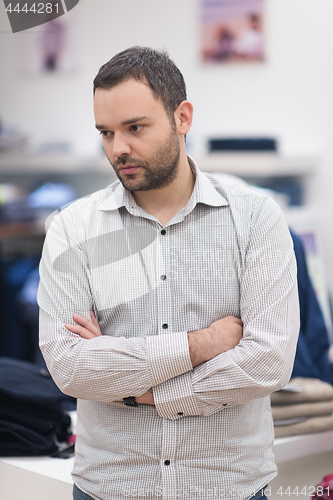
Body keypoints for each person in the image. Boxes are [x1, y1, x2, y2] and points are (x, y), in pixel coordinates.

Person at [38, 46, 300, 500]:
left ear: (182, 117)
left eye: (135, 128)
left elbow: (268, 361)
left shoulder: (255, 218)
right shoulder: (72, 228)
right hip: (110, 486)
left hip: (228, 486)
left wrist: (142, 392)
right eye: (106, 133)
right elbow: (70, 367)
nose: (118, 148)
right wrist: (202, 344)